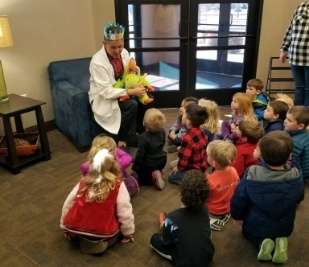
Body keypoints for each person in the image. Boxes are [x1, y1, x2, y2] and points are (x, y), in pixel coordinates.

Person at [231, 131, 304, 264]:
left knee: (251, 234)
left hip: (256, 225)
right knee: (280, 230)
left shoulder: (252, 173)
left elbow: (239, 198)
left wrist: (237, 216)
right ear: (289, 155)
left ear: (260, 153)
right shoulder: (295, 174)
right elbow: (299, 197)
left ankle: (262, 243)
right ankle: (280, 241)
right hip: (285, 224)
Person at [60, 136, 135, 254]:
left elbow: (68, 204)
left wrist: (65, 227)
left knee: (81, 211)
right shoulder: (118, 185)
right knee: (117, 232)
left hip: (77, 227)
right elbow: (125, 212)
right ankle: (103, 243)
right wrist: (128, 233)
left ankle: (81, 237)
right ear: (114, 161)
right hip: (103, 232)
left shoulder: (83, 181)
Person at [88, 22, 151, 149]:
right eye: (113, 47)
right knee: (131, 104)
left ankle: (139, 132)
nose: (117, 51)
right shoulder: (97, 62)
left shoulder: (125, 53)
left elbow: (128, 73)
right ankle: (125, 138)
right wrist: (130, 92)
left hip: (122, 87)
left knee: (148, 98)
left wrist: (137, 84)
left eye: (120, 46)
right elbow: (105, 91)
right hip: (103, 95)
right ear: (104, 43)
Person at [150, 169, 215, 267]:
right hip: (208, 256)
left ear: (181, 194)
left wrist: (164, 227)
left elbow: (164, 241)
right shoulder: (205, 209)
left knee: (154, 239)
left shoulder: (172, 218)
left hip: (184, 263)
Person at [168, 103, 208, 184]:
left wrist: (179, 167)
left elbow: (184, 159)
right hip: (202, 165)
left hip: (193, 169)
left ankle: (196, 181)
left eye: (184, 114)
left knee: (171, 176)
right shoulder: (201, 130)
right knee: (176, 164)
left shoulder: (187, 138)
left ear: (188, 122)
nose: (182, 115)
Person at [280, 2, 309, 106]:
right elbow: (291, 28)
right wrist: (284, 49)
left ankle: (305, 117)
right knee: (299, 87)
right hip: (295, 55)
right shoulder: (302, 6)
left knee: (308, 89)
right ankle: (297, 114)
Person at [205, 140, 239, 231]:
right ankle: (225, 216)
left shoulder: (209, 181)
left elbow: (205, 197)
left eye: (207, 155)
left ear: (214, 163)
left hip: (213, 211)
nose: (206, 157)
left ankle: (212, 221)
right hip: (228, 207)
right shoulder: (234, 171)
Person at [131, 108, 167, 190]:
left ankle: (152, 179)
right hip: (162, 160)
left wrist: (135, 167)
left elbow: (140, 154)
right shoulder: (162, 131)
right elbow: (163, 143)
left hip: (149, 165)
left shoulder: (143, 137)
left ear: (144, 123)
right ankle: (158, 171)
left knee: (138, 177)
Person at [284, 106, 309, 179]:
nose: (285, 121)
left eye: (289, 120)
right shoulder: (305, 134)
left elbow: (291, 162)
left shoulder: (294, 143)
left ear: (300, 126)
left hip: (301, 174)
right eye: (286, 118)